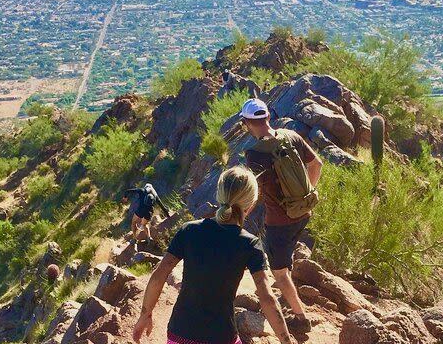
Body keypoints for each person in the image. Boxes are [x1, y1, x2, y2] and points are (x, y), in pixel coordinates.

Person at [132, 167, 296, 344]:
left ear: (219, 195)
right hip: (221, 336)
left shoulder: (189, 230)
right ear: (251, 204)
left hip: (180, 333)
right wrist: (286, 340)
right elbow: (267, 299)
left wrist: (145, 315)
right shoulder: (249, 244)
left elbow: (159, 275)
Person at [241, 98, 322, 333]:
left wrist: (240, 216)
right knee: (285, 258)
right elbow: (316, 164)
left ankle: (300, 317)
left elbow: (253, 193)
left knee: (278, 272)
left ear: (247, 123)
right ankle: (290, 291)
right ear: (268, 117)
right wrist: (306, 196)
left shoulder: (255, 154)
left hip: (278, 221)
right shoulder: (292, 136)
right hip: (304, 212)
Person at [123, 183, 171, 249]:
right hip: (149, 213)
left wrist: (125, 197)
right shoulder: (155, 195)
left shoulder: (142, 190)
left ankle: (134, 239)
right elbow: (162, 207)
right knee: (144, 224)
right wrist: (168, 216)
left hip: (140, 210)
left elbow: (128, 191)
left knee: (134, 222)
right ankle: (149, 238)